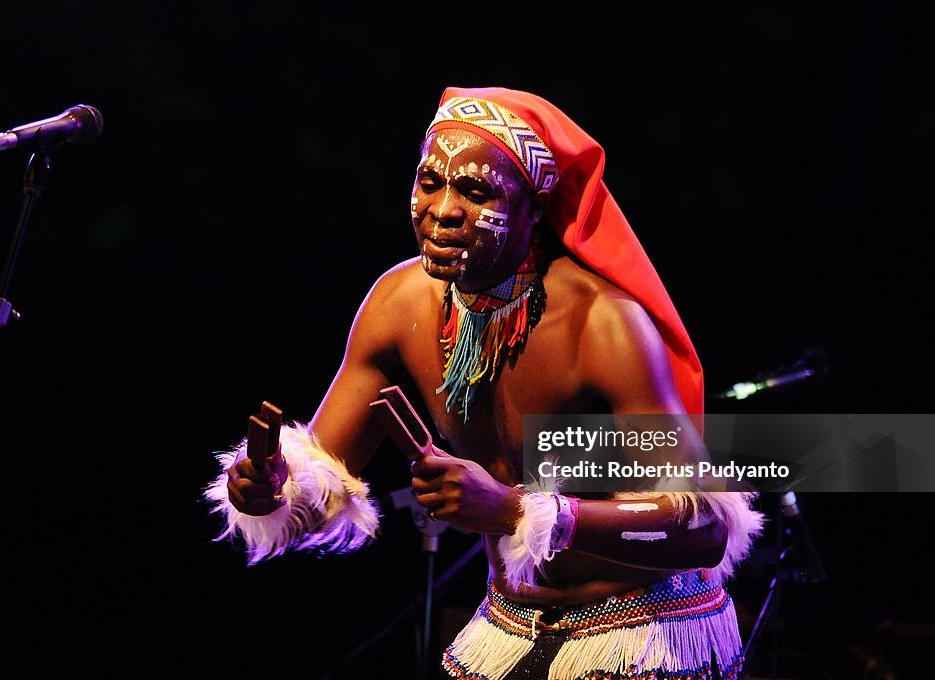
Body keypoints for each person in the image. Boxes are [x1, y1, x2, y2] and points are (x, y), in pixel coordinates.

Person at [207, 87, 763, 680]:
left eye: (476, 191)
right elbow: (323, 482)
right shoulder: (398, 305)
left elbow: (703, 530)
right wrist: (270, 489)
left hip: (647, 634)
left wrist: (512, 509)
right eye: (429, 182)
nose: (443, 209)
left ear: (532, 208)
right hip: (506, 625)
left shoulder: (603, 324)